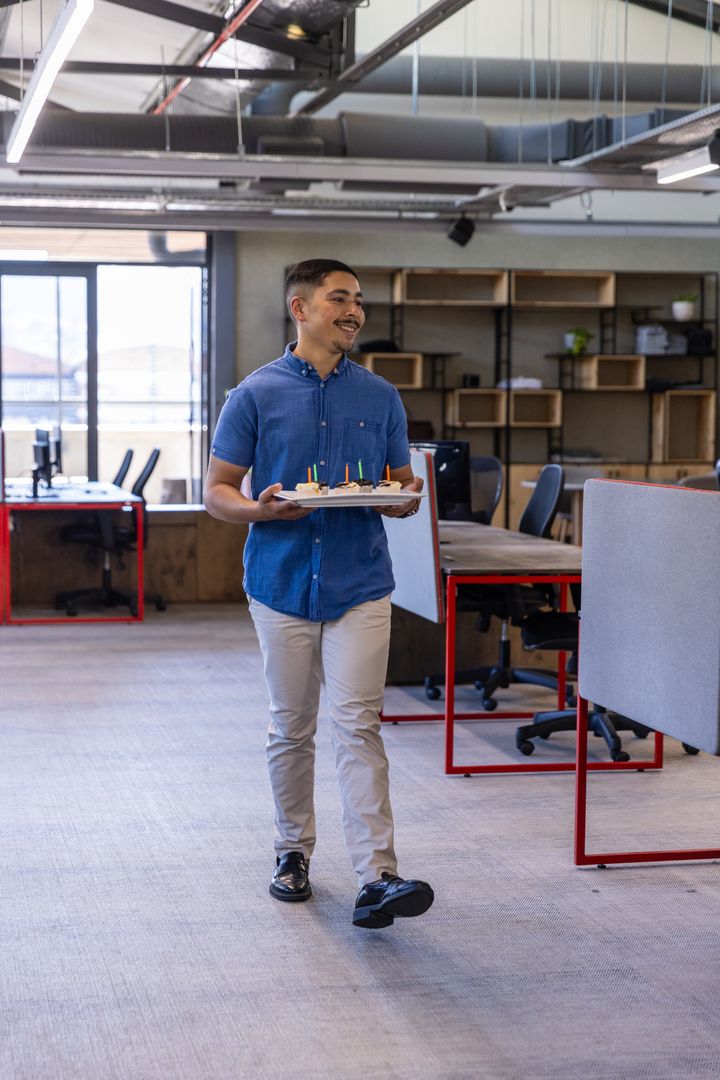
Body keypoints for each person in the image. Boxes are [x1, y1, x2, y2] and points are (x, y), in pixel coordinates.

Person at [203, 258, 434, 930]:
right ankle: (291, 853)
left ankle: (377, 876)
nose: (355, 311)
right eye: (340, 299)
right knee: (291, 726)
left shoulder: (380, 396)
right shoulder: (255, 394)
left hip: (360, 580)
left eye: (359, 301)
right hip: (279, 582)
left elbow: (398, 483)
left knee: (359, 724)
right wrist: (260, 510)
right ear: (300, 308)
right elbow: (216, 491)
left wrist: (401, 501)